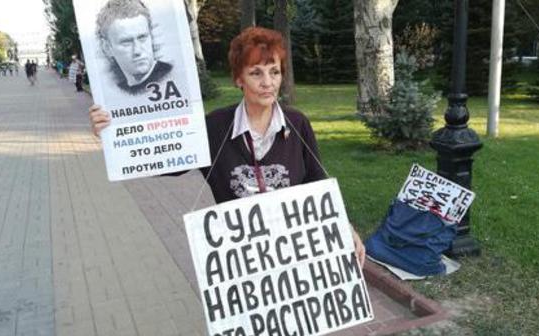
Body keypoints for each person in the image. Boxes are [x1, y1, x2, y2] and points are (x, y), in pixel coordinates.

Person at [88, 27, 366, 265]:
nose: (268, 83)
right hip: (239, 258)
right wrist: (115, 137)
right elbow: (169, 163)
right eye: (256, 73)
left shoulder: (297, 123)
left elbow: (317, 181)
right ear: (238, 79)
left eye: (274, 71)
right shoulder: (215, 127)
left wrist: (345, 226)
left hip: (292, 253)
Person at [96, 0, 172, 95]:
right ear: (107, 48)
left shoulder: (173, 75)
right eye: (126, 42)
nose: (137, 51)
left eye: (142, 38)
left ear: (151, 37)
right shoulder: (117, 92)